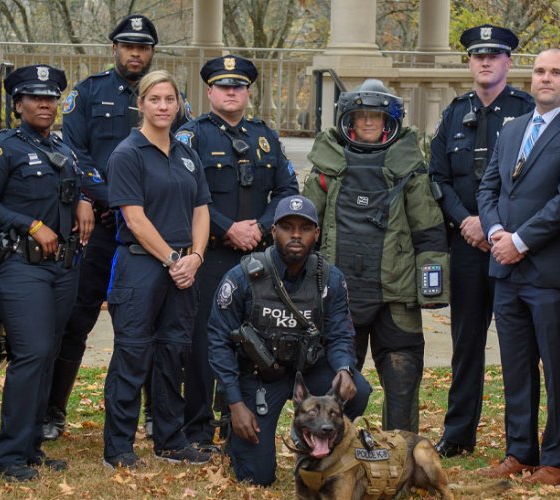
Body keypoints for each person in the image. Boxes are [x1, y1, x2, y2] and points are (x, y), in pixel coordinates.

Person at [49, 14, 190, 441]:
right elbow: (73, 153)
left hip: (151, 231)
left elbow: (180, 156)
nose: (135, 53)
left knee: (153, 321)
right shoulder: (89, 93)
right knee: (78, 317)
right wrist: (105, 198)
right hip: (98, 222)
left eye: (143, 47)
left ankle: (154, 415)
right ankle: (53, 412)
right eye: (129, 46)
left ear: (152, 52)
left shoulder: (167, 98)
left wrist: (135, 205)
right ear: (114, 49)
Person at [473, 48, 560, 485]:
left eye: (556, 72)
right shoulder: (512, 129)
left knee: (559, 369)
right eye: (540, 71)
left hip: (553, 274)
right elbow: (489, 188)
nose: (546, 78)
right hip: (506, 271)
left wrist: (520, 241)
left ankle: (558, 459)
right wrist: (496, 232)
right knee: (516, 367)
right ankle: (520, 452)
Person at [0, 64, 96, 482]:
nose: (45, 104)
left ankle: (31, 447)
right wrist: (31, 224)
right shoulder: (1, 149)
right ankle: (8, 456)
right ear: (18, 104)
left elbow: (74, 186)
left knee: (48, 354)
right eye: (35, 98)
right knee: (32, 353)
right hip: (20, 265)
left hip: (63, 268)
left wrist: (83, 200)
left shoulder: (62, 148)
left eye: (50, 98)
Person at [303, 79, 449, 433]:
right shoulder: (327, 165)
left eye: (376, 116)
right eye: (362, 116)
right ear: (349, 121)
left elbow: (429, 229)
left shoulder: (409, 167)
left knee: (402, 376)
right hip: (339, 297)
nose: (368, 122)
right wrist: (302, 285)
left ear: (388, 122)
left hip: (396, 296)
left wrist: (432, 289)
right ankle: (329, 446)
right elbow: (304, 226)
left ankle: (401, 449)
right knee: (337, 382)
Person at [174, 54, 300, 451]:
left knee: (252, 341)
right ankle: (197, 428)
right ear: (209, 91)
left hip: (257, 259)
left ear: (248, 92)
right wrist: (227, 227)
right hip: (209, 255)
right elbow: (185, 193)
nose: (232, 92)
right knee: (202, 342)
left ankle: (236, 422)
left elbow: (286, 191)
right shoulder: (191, 136)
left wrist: (260, 227)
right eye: (224, 86)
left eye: (239, 86)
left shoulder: (265, 136)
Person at [207, 194, 371, 486]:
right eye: (287, 227)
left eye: (305, 228)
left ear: (316, 234)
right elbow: (219, 340)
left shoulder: (330, 279)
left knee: (357, 390)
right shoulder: (243, 276)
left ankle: (314, 440)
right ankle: (236, 440)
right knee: (258, 477)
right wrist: (235, 404)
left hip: (309, 371)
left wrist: (345, 368)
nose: (296, 235)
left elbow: (340, 333)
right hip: (259, 377)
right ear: (273, 231)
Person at [426, 24, 535, 459]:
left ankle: (519, 443)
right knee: (466, 345)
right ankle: (458, 434)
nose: (485, 62)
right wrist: (466, 221)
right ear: (469, 62)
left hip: (512, 246)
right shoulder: (455, 113)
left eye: (493, 55)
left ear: (508, 61)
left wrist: (495, 228)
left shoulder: (526, 111)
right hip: (468, 245)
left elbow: (530, 181)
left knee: (518, 349)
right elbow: (438, 178)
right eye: (477, 56)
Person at [101, 70, 214, 469]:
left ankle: (169, 441)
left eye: (170, 99)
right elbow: (135, 219)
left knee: (172, 356)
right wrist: (172, 259)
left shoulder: (187, 155)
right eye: (155, 99)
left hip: (184, 269)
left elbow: (201, 210)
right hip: (140, 267)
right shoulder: (127, 154)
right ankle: (118, 448)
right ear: (141, 104)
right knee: (132, 356)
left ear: (179, 104)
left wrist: (195, 257)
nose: (163, 106)